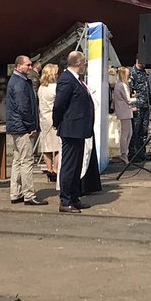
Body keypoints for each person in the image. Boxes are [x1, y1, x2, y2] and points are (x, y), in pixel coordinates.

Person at [53, 50, 97, 213]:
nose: (85, 66)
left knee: (77, 166)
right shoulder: (67, 79)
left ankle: (74, 197)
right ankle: (65, 201)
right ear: (78, 63)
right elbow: (59, 104)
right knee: (69, 166)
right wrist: (57, 122)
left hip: (79, 129)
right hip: (70, 129)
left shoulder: (77, 80)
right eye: (84, 63)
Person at [6, 56, 44, 206]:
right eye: (27, 65)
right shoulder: (20, 83)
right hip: (22, 127)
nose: (30, 67)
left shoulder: (18, 81)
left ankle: (16, 192)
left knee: (18, 160)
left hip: (17, 126)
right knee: (27, 160)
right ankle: (29, 194)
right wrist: (31, 127)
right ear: (18, 66)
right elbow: (24, 108)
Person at [36, 63, 61, 182]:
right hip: (54, 117)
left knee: (46, 146)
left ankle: (49, 169)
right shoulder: (56, 87)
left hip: (43, 118)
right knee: (58, 147)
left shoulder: (41, 88)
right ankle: (55, 170)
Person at [128, 57, 151, 161]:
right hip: (137, 106)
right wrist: (132, 106)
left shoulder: (144, 72)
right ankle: (133, 154)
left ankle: (141, 152)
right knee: (135, 130)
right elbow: (130, 91)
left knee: (144, 130)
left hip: (146, 105)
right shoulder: (132, 73)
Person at [112, 66, 135, 165]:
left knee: (129, 133)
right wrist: (138, 98)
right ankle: (124, 154)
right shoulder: (122, 86)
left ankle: (125, 153)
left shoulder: (118, 85)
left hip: (124, 111)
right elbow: (128, 100)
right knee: (126, 134)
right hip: (124, 112)